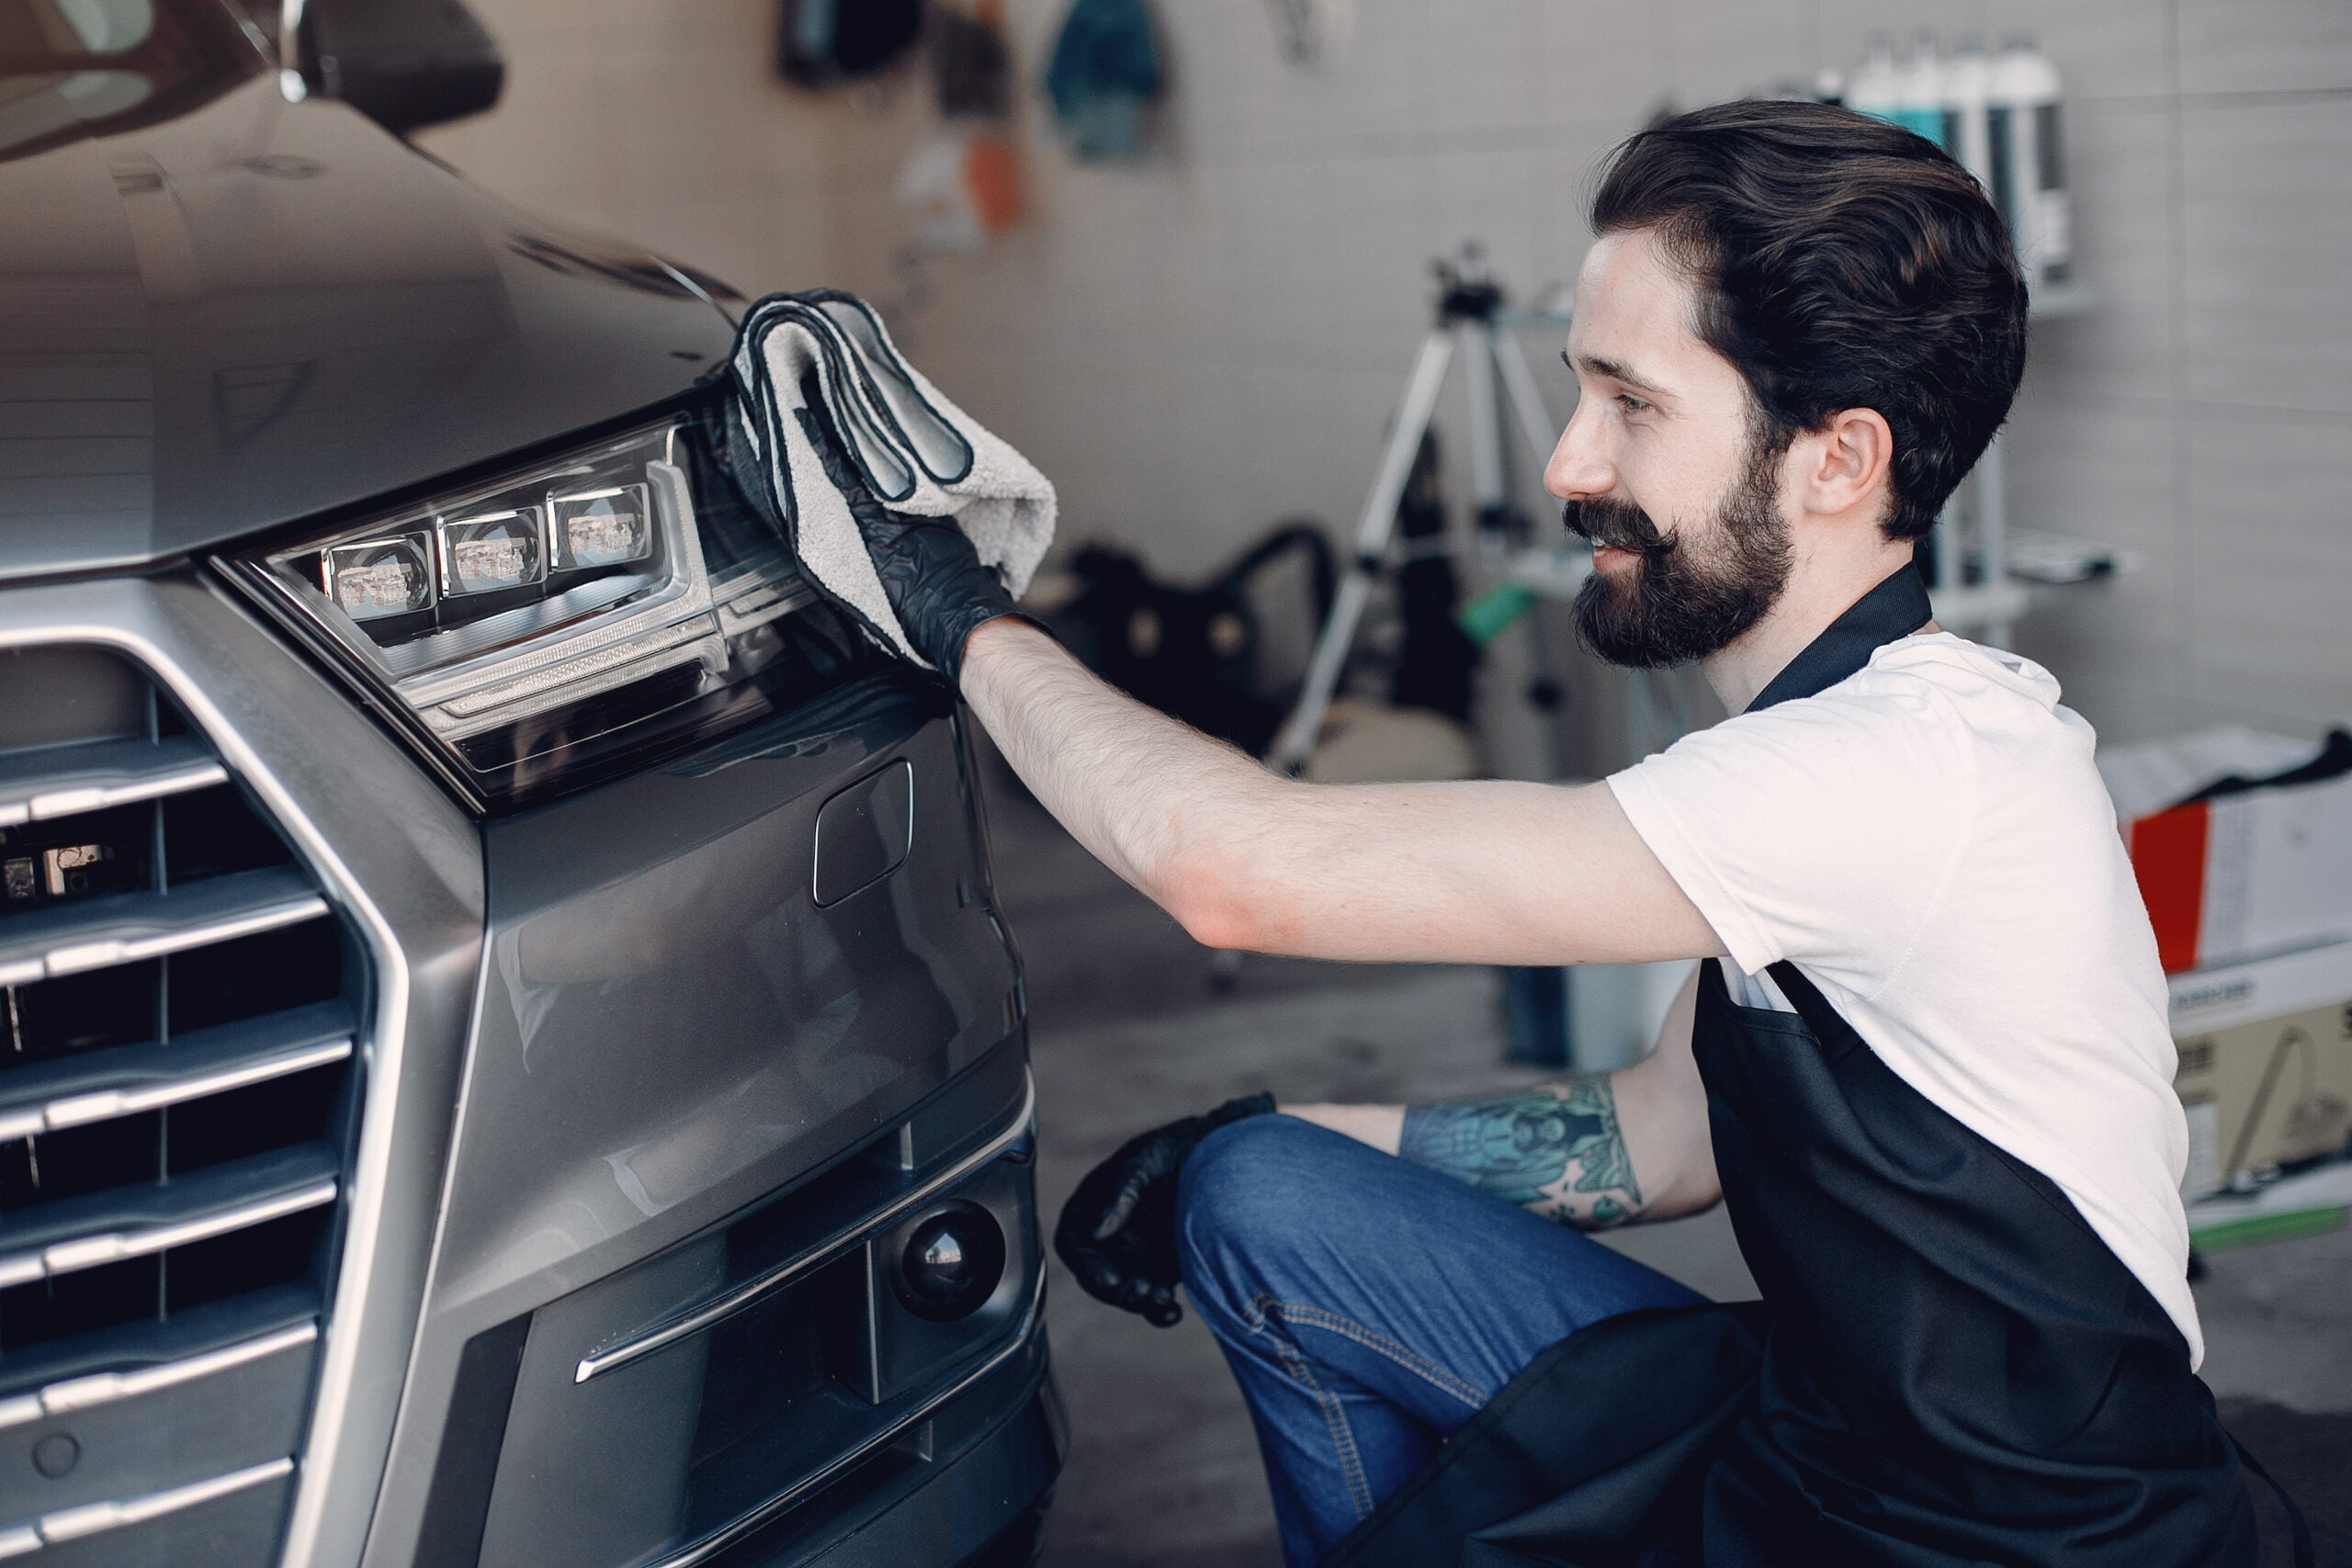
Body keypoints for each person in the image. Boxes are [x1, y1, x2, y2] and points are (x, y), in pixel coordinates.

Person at [798, 101, 2265, 1568]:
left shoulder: (1902, 769)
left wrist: (956, 615)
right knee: (1262, 1194)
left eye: (1632, 404)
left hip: (2004, 1543)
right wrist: (1268, 1141)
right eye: (1582, 392)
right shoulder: (1817, 753)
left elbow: (1234, 872)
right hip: (1829, 1453)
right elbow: (1659, 1137)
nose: (1569, 463)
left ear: (1837, 460)